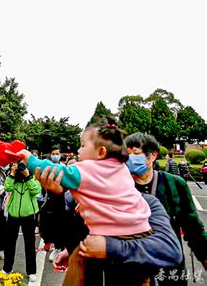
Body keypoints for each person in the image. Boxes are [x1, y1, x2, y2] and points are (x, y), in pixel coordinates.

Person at [19, 117, 153, 285]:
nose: (78, 150)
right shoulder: (121, 169)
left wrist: (30, 160)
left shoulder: (89, 169)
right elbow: (55, 232)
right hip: (140, 235)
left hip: (115, 240)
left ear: (101, 152)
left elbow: (59, 171)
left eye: (83, 145)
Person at [34, 162, 182, 285]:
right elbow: (52, 235)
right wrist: (55, 196)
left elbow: (169, 250)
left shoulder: (147, 203)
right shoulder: (74, 199)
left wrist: (109, 247)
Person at [124, 132, 207, 285]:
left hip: (169, 269)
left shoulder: (175, 184)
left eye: (135, 154)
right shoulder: (118, 187)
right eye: (126, 155)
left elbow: (193, 227)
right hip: (131, 269)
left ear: (153, 156)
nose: (130, 160)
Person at [3, 162, 41, 282]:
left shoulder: (33, 177)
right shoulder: (12, 178)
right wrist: (12, 174)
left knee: (29, 244)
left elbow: (36, 191)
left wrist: (28, 176)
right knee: (9, 243)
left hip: (29, 215)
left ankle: (31, 271)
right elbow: (7, 188)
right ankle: (7, 268)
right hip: (13, 214)